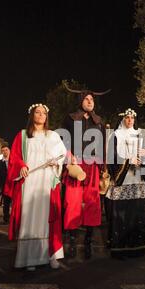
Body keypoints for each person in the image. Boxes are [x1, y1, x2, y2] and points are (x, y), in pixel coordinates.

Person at [4, 103, 65, 271]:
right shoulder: (23, 135)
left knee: (47, 218)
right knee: (29, 217)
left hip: (46, 180)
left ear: (46, 117)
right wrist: (21, 165)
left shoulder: (52, 135)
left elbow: (62, 153)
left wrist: (56, 161)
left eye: (43, 113)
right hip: (29, 181)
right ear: (32, 115)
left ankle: (51, 255)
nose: (40, 115)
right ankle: (29, 258)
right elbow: (15, 157)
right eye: (37, 112)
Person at [61, 85, 109, 259]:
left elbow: (103, 145)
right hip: (76, 165)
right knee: (72, 202)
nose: (90, 102)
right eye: (86, 99)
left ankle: (88, 242)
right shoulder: (70, 119)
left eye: (92, 99)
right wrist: (69, 155)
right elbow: (62, 140)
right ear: (80, 101)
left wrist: (103, 166)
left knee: (93, 204)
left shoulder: (100, 122)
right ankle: (72, 241)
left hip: (93, 166)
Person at [106, 108, 145, 259]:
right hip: (123, 180)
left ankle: (137, 247)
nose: (130, 120)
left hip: (137, 179)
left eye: (132, 118)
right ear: (123, 119)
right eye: (127, 118)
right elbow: (111, 157)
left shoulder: (140, 135)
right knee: (122, 215)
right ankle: (120, 248)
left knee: (136, 214)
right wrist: (128, 160)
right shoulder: (116, 135)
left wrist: (144, 159)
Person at [0, 145, 11, 223]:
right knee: (6, 202)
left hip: (14, 184)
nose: (5, 152)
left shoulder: (14, 160)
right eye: (3, 150)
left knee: (15, 202)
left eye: (6, 150)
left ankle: (15, 217)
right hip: (5, 185)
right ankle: (6, 218)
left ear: (9, 150)